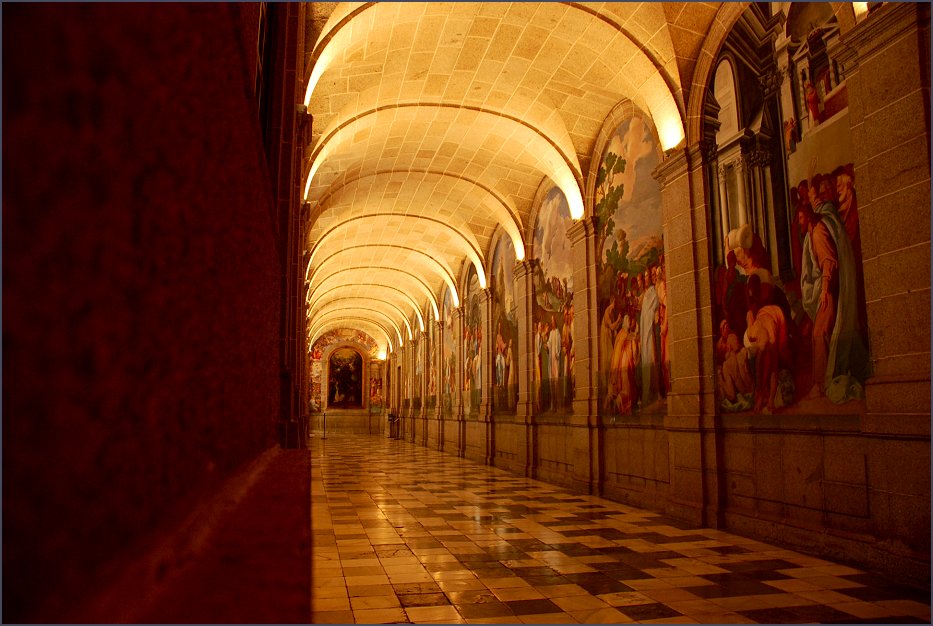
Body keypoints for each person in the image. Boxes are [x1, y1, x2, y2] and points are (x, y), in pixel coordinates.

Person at [798, 192, 866, 403]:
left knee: (819, 333)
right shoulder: (814, 230)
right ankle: (825, 379)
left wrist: (825, 290)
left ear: (807, 216)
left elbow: (829, 261)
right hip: (827, 290)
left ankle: (820, 385)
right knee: (821, 334)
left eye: (800, 217)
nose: (798, 222)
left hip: (827, 291)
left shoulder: (817, 232)